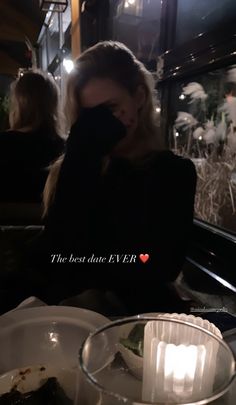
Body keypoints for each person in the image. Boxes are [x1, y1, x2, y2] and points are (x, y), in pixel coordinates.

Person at [39, 41, 196, 314]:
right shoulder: (75, 168)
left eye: (111, 108)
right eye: (90, 115)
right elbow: (57, 261)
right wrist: (80, 160)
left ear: (138, 97)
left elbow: (159, 267)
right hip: (76, 317)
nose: (100, 124)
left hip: (140, 319)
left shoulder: (173, 172)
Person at [0, 69, 65, 202]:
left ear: (18, 104)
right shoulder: (63, 148)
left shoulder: (3, 144)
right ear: (53, 104)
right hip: (52, 221)